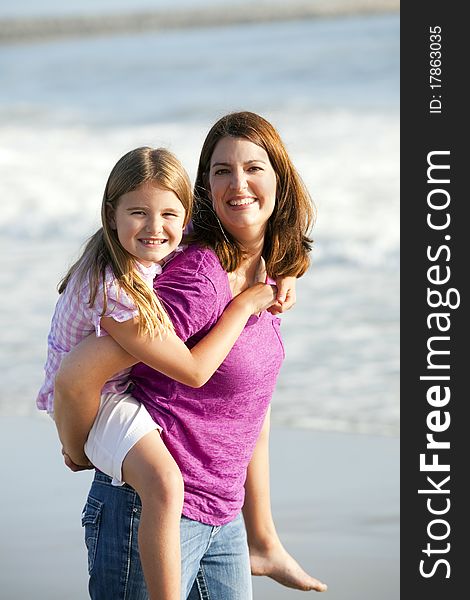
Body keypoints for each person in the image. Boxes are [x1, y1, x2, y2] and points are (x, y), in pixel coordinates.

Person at [55, 111, 327, 598]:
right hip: (153, 509)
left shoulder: (264, 269)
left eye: (253, 167)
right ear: (204, 188)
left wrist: (260, 533)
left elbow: (248, 404)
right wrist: (76, 448)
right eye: (221, 170)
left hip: (224, 518)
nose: (238, 183)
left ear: (280, 179)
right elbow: (79, 372)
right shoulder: (198, 278)